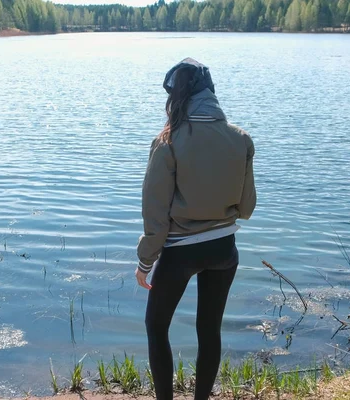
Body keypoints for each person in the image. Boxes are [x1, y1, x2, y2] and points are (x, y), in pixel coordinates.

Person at [135, 58, 256, 400]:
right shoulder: (241, 139)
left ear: (178, 96)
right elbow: (246, 209)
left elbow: (155, 216)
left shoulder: (168, 141)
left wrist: (145, 262)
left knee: (156, 328)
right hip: (223, 250)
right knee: (209, 330)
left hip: (180, 252)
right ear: (211, 92)